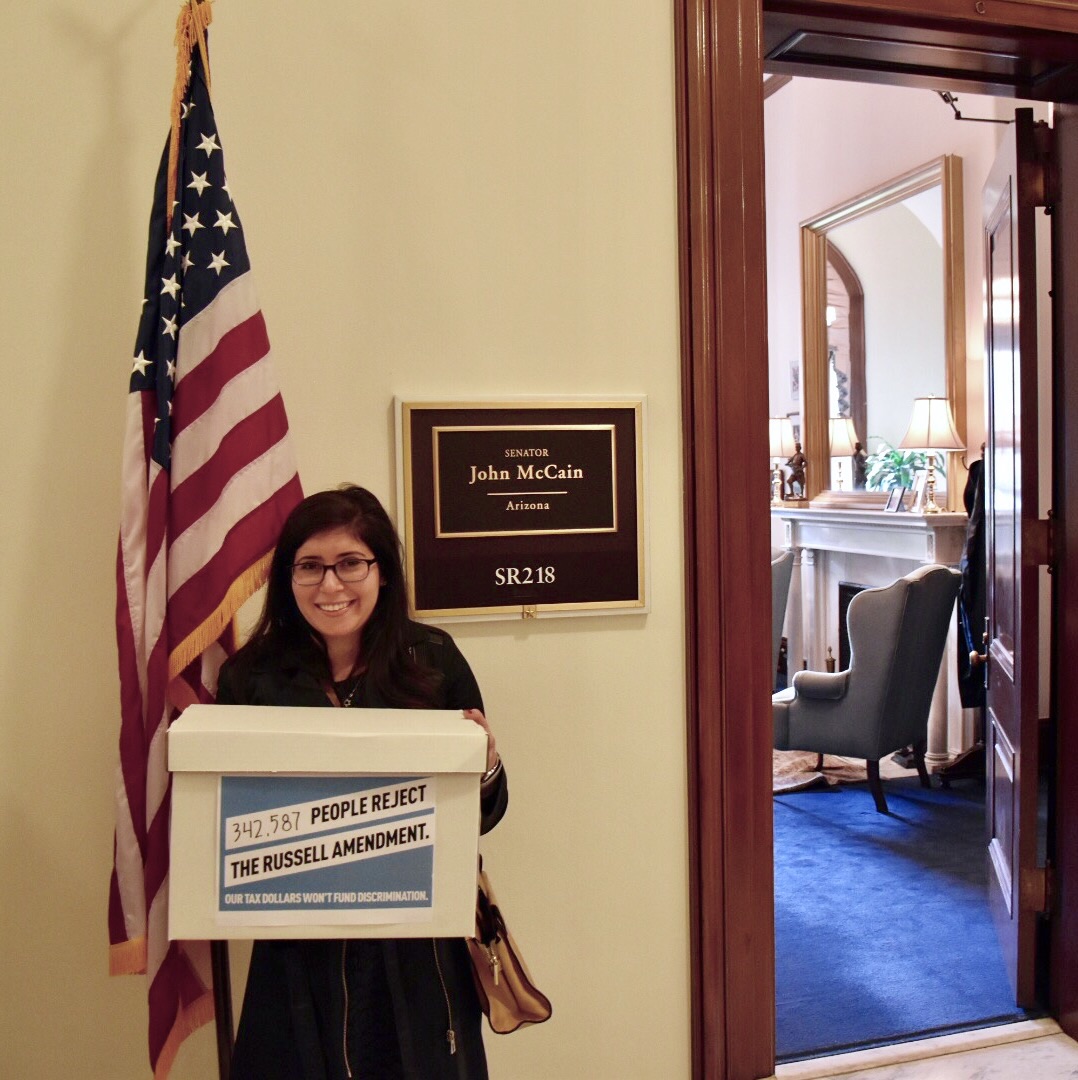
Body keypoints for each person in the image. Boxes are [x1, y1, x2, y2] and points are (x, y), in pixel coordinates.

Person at [218, 484, 508, 1080]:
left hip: (416, 951)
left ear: (382, 570)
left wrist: (483, 767)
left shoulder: (433, 661)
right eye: (310, 567)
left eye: (350, 563)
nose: (331, 586)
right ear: (286, 576)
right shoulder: (251, 678)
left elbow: (487, 812)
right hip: (296, 950)